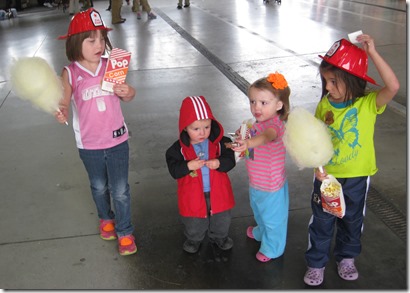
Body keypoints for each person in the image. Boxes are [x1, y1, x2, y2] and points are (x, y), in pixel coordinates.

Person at [303, 35, 400, 286]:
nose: (328, 87)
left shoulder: (368, 104)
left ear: (353, 80)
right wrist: (318, 168)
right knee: (322, 222)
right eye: (325, 81)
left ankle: (346, 257)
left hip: (357, 177)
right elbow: (316, 139)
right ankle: (316, 263)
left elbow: (393, 87)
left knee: (352, 220)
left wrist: (373, 53)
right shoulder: (324, 103)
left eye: (334, 81)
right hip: (327, 178)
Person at [55, 8, 137, 256]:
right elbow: (63, 101)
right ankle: (105, 217)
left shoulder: (111, 65)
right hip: (89, 144)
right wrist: (60, 111)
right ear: (75, 43)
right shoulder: (71, 73)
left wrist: (127, 92)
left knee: (120, 189)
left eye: (101, 38)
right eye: (91, 40)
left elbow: (129, 95)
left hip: (117, 138)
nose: (99, 44)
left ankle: (125, 231)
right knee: (99, 186)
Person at [232, 72, 291, 263]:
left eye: (263, 103)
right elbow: (255, 138)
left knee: (273, 218)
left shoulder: (275, 125)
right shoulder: (258, 123)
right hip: (257, 182)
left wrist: (249, 144)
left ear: (279, 105)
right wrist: (243, 139)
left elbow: (266, 137)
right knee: (258, 209)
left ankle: (273, 247)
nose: (256, 107)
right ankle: (261, 229)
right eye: (252, 101)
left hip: (272, 186)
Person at [166, 96, 236, 254]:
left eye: (207, 126)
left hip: (219, 191)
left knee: (222, 217)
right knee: (194, 219)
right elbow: (174, 170)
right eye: (195, 129)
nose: (202, 133)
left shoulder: (220, 142)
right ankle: (194, 238)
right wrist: (187, 165)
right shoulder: (178, 149)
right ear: (184, 128)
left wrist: (220, 163)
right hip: (192, 194)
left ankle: (220, 236)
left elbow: (231, 158)